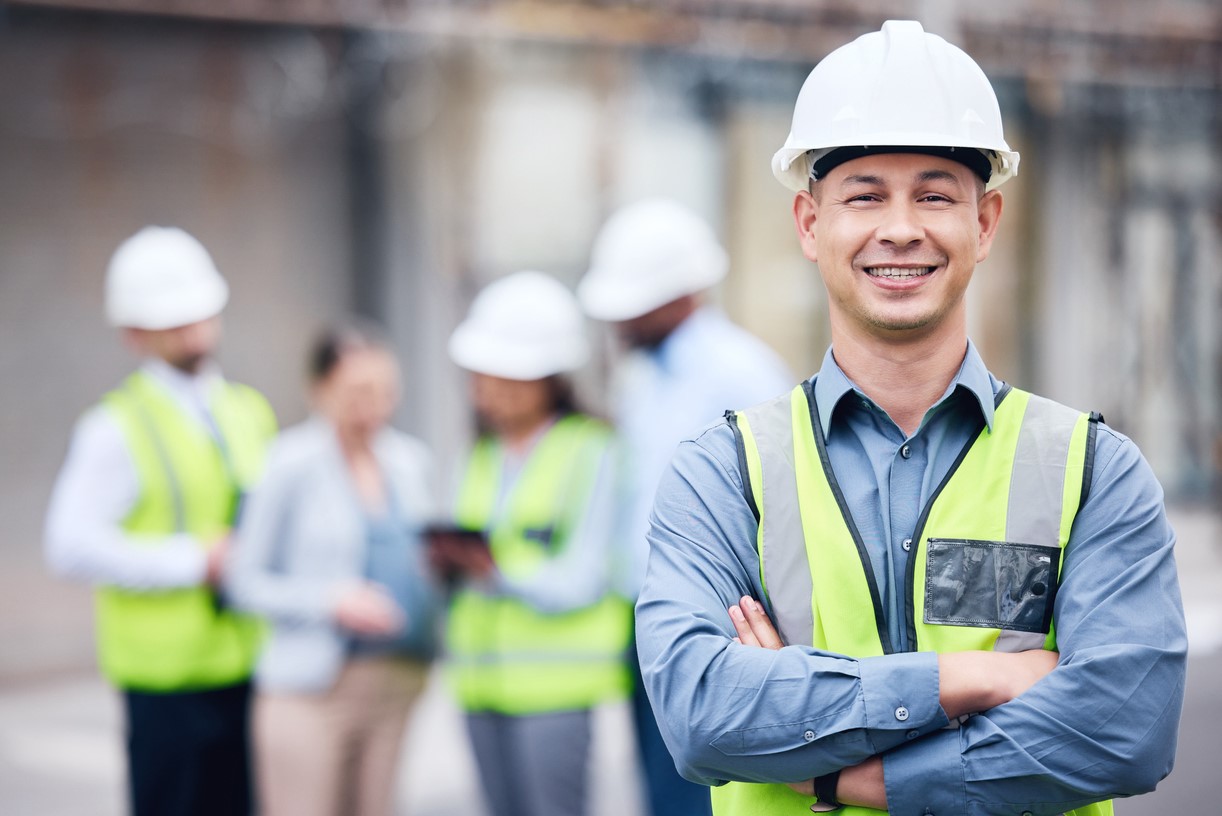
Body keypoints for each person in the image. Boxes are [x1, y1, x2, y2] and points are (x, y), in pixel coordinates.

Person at [635, 20, 1186, 816]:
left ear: (985, 223)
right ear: (810, 224)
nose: (901, 227)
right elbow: (701, 717)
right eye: (865, 195)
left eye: (934, 194)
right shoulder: (723, 471)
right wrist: (974, 677)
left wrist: (841, 773)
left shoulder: (1093, 470)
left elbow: (1124, 730)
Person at [44, 226, 276, 816]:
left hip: (250, 668)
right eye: (170, 320)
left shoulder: (248, 411)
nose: (190, 329)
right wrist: (195, 561)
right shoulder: (114, 428)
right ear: (133, 334)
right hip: (166, 685)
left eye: (198, 314)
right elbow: (68, 545)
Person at [577, 198, 792, 816]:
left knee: (697, 793)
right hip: (646, 616)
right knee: (659, 784)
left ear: (679, 295)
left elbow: (775, 511)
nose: (619, 323)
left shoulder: (743, 374)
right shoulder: (643, 376)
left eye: (631, 307)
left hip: (714, 627)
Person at [226, 324, 438, 816]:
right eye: (358, 392)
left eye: (386, 392)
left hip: (395, 681)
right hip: (311, 688)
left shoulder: (409, 461)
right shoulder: (286, 464)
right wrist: (329, 599)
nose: (375, 408)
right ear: (319, 390)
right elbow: (244, 580)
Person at [442, 270, 633, 816]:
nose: (488, 392)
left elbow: (585, 574)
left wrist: (497, 571)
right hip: (479, 680)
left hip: (556, 688)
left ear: (547, 377)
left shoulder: (591, 450)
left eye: (503, 378)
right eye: (481, 378)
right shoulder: (480, 453)